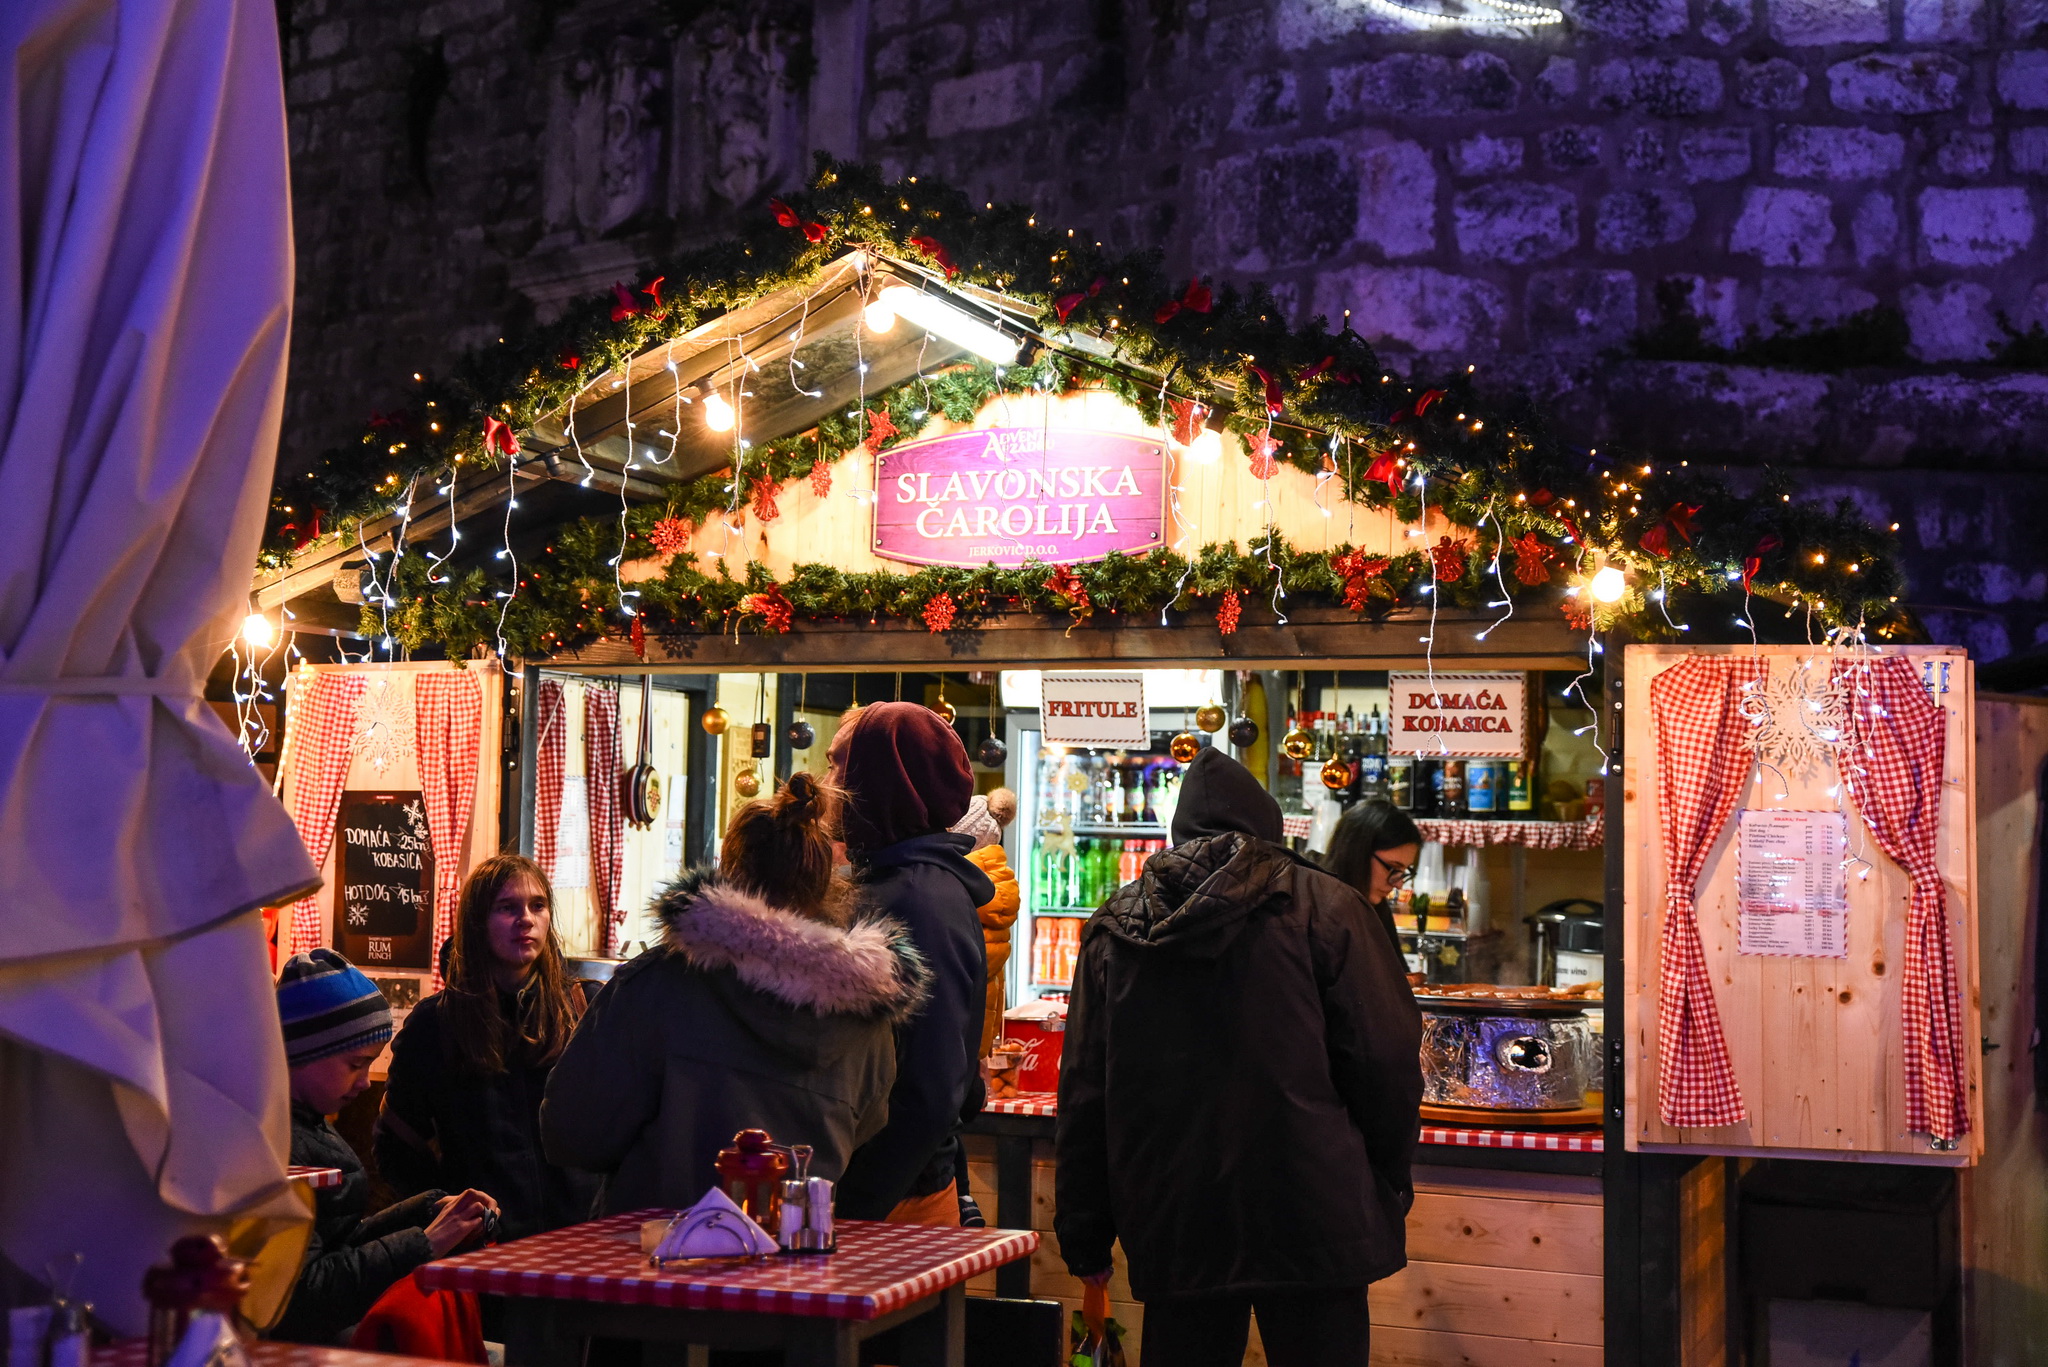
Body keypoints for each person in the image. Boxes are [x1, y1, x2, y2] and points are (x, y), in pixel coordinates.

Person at [1054, 747, 1422, 1367]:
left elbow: (1086, 1093)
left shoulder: (1115, 927)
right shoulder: (1330, 909)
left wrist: (1086, 1238)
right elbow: (1385, 1061)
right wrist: (1382, 1185)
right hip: (1316, 1211)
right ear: (1270, 827)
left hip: (1177, 1217)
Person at [541, 772, 929, 1212]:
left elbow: (574, 1131)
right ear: (827, 881)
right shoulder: (866, 1008)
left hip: (657, 1258)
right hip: (796, 1258)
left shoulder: (662, 984)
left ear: (730, 869)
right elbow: (869, 1132)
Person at [273, 949, 498, 1345]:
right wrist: (425, 1243)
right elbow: (304, 1297)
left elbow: (340, 1243)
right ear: (303, 1052)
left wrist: (428, 1210)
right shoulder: (274, 1143)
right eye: (355, 1064)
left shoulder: (307, 1122)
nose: (364, 1083)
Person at [375, 854, 601, 1243]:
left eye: (538, 905)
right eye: (507, 907)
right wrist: (448, 1211)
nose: (526, 919)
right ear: (477, 920)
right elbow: (397, 1145)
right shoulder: (435, 1023)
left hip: (582, 1239)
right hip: (485, 1252)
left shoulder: (583, 1008)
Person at [826, 702, 994, 1225]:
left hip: (896, 1201)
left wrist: (853, 1207)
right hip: (895, 1189)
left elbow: (930, 1088)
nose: (825, 782)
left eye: (837, 765)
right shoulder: (901, 884)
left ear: (877, 780)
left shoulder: (915, 900)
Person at [948, 786, 1019, 1226]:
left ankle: (960, 1196)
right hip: (975, 1047)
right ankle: (965, 1197)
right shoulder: (996, 887)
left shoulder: (954, 891)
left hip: (953, 1046)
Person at [1321, 799, 1425, 954]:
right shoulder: (1316, 912)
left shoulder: (1376, 908)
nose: (1399, 884)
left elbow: (1399, 974)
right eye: (1393, 868)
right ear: (1357, 853)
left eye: (1404, 871)